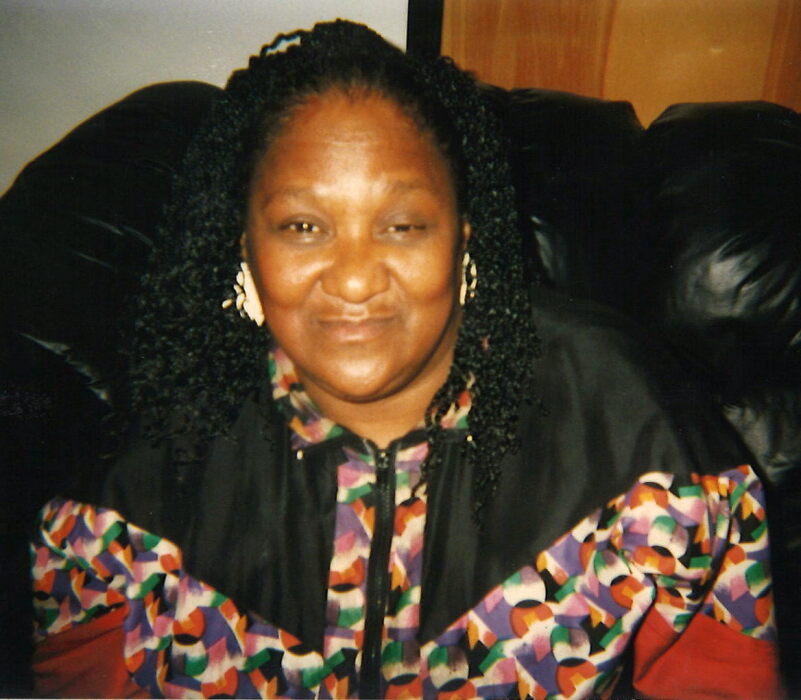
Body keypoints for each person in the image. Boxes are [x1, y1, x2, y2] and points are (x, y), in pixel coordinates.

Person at [29, 20, 780, 699]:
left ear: (463, 237)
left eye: (402, 225)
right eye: (302, 226)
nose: (355, 279)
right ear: (244, 249)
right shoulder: (148, 468)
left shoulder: (632, 425)